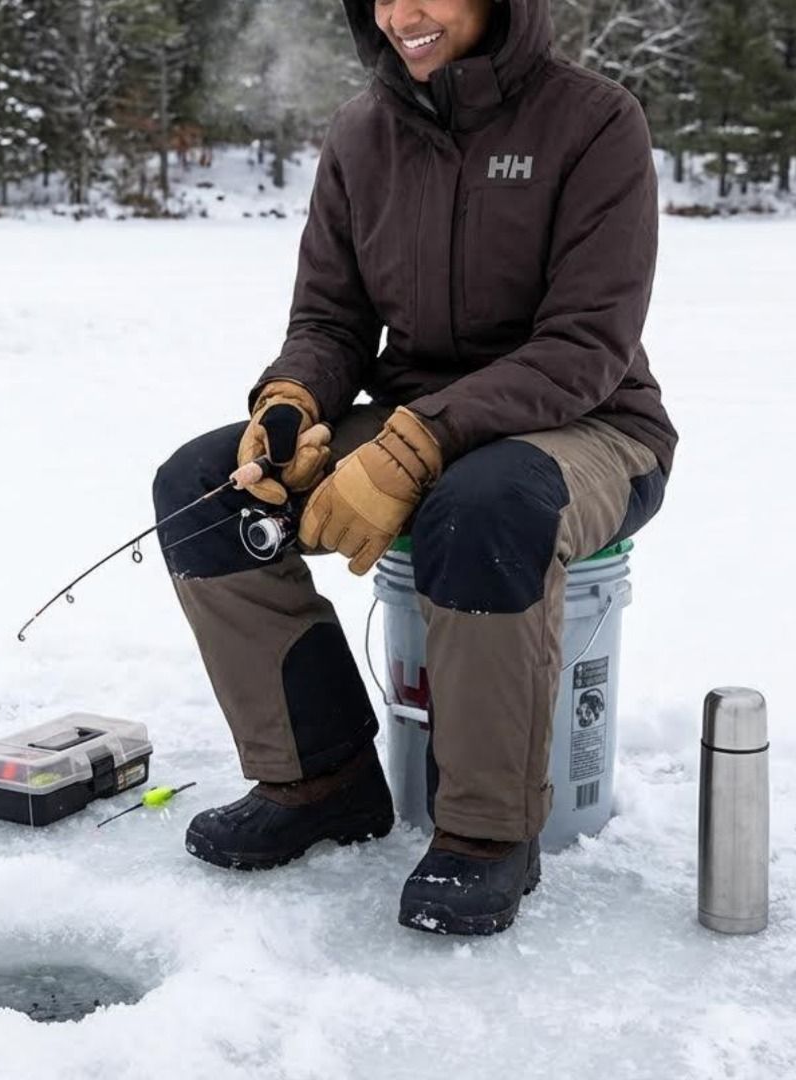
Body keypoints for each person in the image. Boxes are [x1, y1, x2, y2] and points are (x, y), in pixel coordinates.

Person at [153, 0, 677, 936]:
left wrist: (421, 440)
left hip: (592, 424)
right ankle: (321, 780)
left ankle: (487, 833)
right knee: (205, 492)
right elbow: (332, 321)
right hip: (415, 416)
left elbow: (585, 345)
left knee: (483, 504)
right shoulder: (364, 134)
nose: (402, 14)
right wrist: (290, 403)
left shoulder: (595, 121)